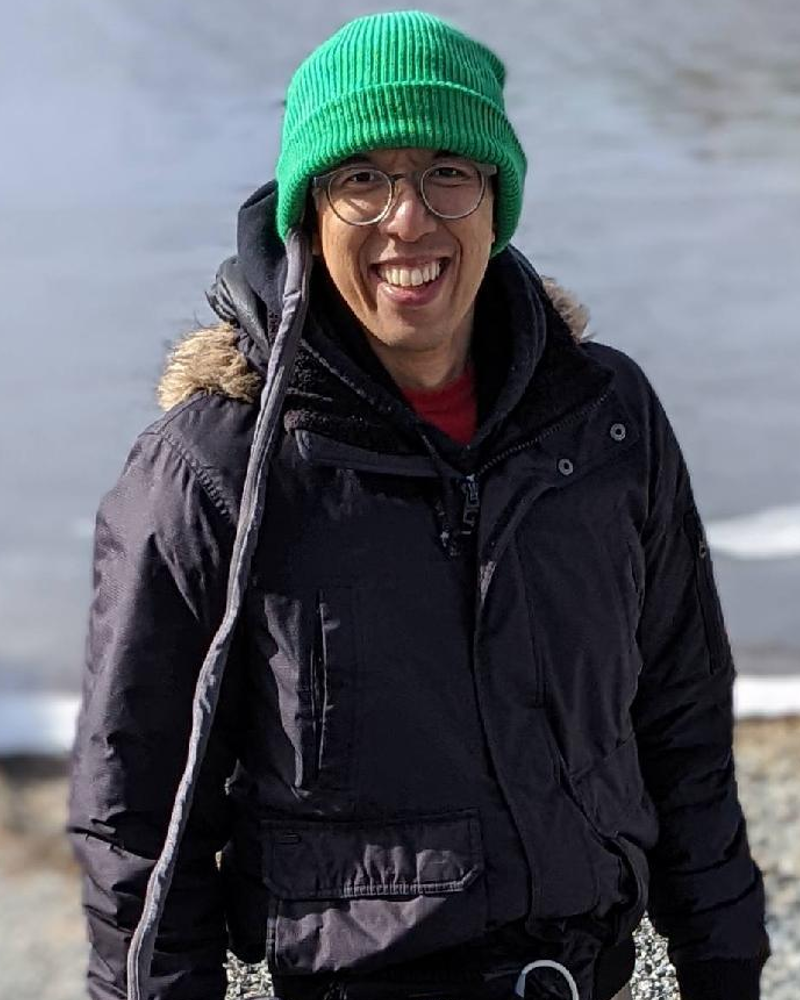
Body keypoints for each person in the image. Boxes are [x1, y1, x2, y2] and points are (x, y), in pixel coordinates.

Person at [68, 10, 771, 1000]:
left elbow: (681, 725)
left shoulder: (602, 422)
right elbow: (135, 812)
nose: (409, 220)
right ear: (308, 213)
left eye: (449, 171)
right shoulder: (209, 471)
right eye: (363, 179)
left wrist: (722, 966)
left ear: (495, 202)